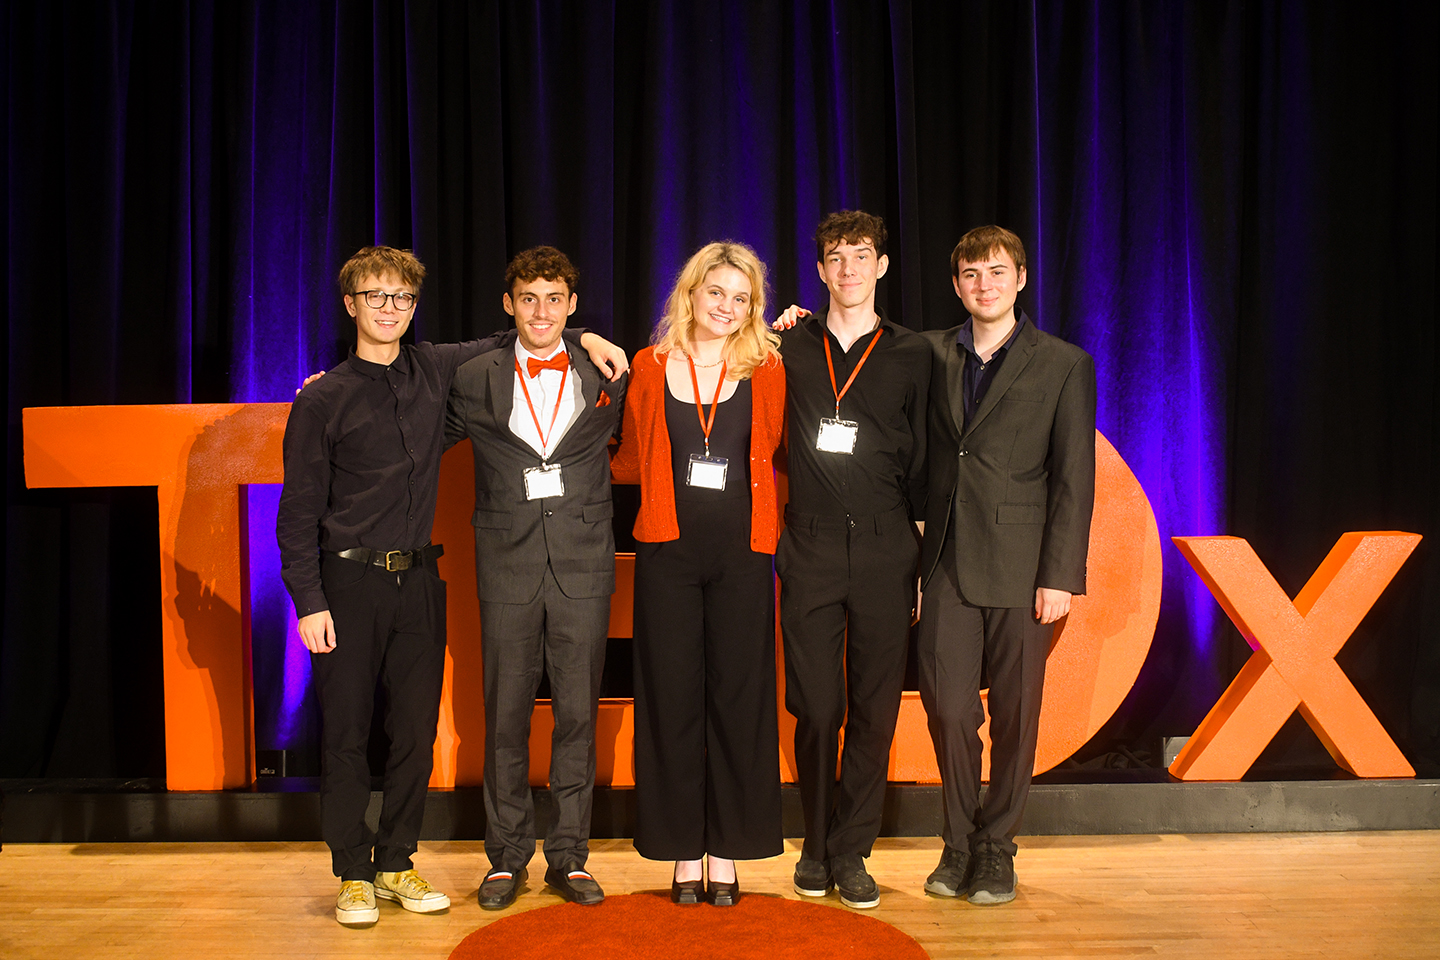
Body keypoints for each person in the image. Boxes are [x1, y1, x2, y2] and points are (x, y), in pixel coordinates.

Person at [277, 245, 626, 927]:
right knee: (366, 730)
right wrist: (309, 598)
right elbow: (297, 510)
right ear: (351, 305)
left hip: (440, 577)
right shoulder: (345, 395)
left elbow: (539, 333)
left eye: (401, 298)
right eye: (376, 297)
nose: (389, 309)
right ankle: (379, 868)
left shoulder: (448, 368)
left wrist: (587, 336)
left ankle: (414, 861)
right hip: (370, 578)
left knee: (421, 730)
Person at [444, 246, 628, 911]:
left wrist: (582, 339)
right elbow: (406, 417)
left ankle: (570, 857)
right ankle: (506, 858)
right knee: (505, 720)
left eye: (555, 299)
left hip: (583, 567)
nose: (541, 311)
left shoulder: (608, 369)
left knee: (578, 718)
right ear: (508, 305)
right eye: (529, 299)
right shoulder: (474, 378)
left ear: (573, 305)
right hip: (507, 566)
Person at [916, 225, 1095, 905]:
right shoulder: (929, 353)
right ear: (956, 283)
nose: (982, 285)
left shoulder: (1063, 363)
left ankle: (997, 850)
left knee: (1018, 714)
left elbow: (1074, 477)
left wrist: (1060, 574)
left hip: (1025, 571)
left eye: (995, 272)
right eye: (969, 274)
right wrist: (802, 326)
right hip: (946, 564)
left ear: (1020, 278)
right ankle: (957, 844)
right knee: (950, 713)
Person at [610, 242, 786, 906]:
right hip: (668, 552)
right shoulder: (649, 367)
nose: (727, 307)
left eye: (741, 298)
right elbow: (626, 455)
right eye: (717, 292)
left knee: (740, 702)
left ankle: (729, 850)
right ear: (691, 292)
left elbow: (772, 447)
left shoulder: (768, 366)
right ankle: (684, 850)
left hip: (744, 553)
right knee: (670, 699)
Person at [773, 211, 931, 909]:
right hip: (806, 542)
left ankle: (852, 851)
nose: (848, 269)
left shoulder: (912, 353)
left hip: (885, 545)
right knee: (816, 705)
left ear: (883, 266)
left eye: (861, 255)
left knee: (873, 707)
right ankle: (813, 842)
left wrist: (922, 566)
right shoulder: (784, 345)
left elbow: (927, 463)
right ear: (819, 270)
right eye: (835, 257)